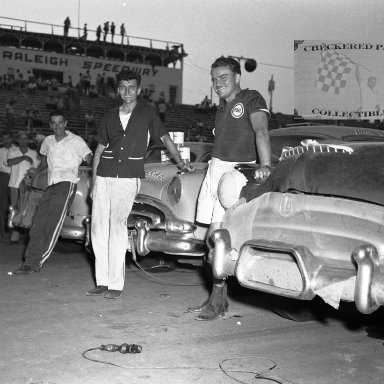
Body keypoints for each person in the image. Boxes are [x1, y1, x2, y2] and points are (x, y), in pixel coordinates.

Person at [87, 70, 194, 299]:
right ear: (118, 90)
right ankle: (102, 281)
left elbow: (164, 138)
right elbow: (98, 151)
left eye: (131, 87)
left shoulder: (147, 113)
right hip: (104, 175)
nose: (127, 91)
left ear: (138, 90)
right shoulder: (109, 115)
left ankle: (115, 285)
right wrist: (94, 182)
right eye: (123, 87)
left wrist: (180, 161)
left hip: (127, 177)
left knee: (117, 227)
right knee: (97, 229)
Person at [187, 56, 272, 321]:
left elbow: (261, 132)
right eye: (214, 79)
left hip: (235, 172)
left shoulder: (252, 98)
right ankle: (218, 300)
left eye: (223, 77)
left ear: (237, 77)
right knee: (212, 239)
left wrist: (266, 165)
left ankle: (217, 300)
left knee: (221, 239)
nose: (217, 83)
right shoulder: (221, 108)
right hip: (215, 169)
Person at [14, 111, 92, 274]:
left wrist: (93, 171)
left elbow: (89, 157)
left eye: (60, 122)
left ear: (66, 123)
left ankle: (35, 262)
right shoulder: (48, 141)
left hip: (67, 184)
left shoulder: (76, 141)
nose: (57, 126)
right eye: (54, 123)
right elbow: (44, 160)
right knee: (37, 224)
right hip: (50, 185)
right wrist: (36, 171)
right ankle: (30, 260)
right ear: (50, 125)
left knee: (52, 225)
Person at [7, 132, 40, 243]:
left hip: (29, 185)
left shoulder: (34, 153)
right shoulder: (12, 151)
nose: (23, 140)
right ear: (17, 140)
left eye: (26, 138)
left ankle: (28, 236)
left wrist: (30, 176)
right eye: (21, 138)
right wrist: (24, 157)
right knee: (15, 209)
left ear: (29, 140)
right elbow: (10, 162)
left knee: (29, 209)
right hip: (15, 184)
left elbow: (36, 169)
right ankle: (15, 236)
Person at [0, 133, 14, 240]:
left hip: (16, 178)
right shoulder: (0, 151)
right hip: (4, 178)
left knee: (15, 206)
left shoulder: (18, 150)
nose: (6, 140)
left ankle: (15, 232)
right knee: (3, 206)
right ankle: (4, 232)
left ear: (12, 138)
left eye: (8, 137)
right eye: (4, 139)